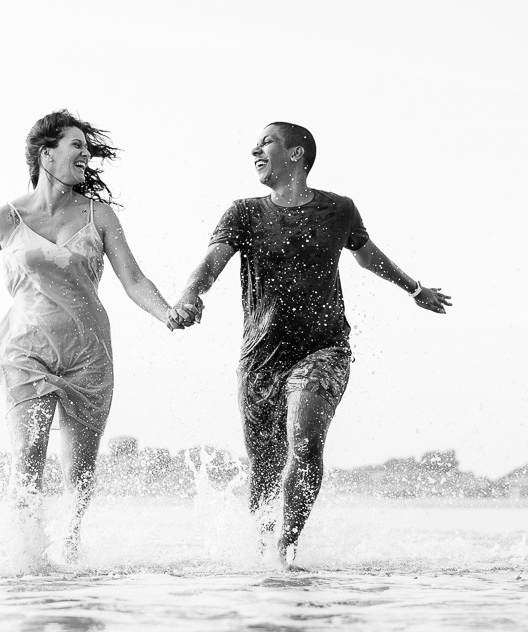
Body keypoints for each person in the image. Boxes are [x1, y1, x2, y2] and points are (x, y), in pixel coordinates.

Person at [173, 122, 452, 569]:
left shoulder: (339, 209)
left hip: (324, 350)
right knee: (264, 469)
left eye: (265, 143)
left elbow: (367, 255)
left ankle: (286, 552)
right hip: (261, 358)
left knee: (304, 444)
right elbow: (212, 261)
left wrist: (414, 288)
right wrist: (191, 294)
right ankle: (264, 555)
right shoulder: (244, 212)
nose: (254, 150)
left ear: (297, 154)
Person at [0, 110, 198, 567]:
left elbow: (133, 279)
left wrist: (168, 314)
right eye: (75, 144)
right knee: (29, 454)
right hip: (25, 350)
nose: (85, 152)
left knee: (78, 474)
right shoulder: (6, 217)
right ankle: (27, 558)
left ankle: (69, 559)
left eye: (85, 145)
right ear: (47, 154)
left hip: (88, 354)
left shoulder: (100, 216)